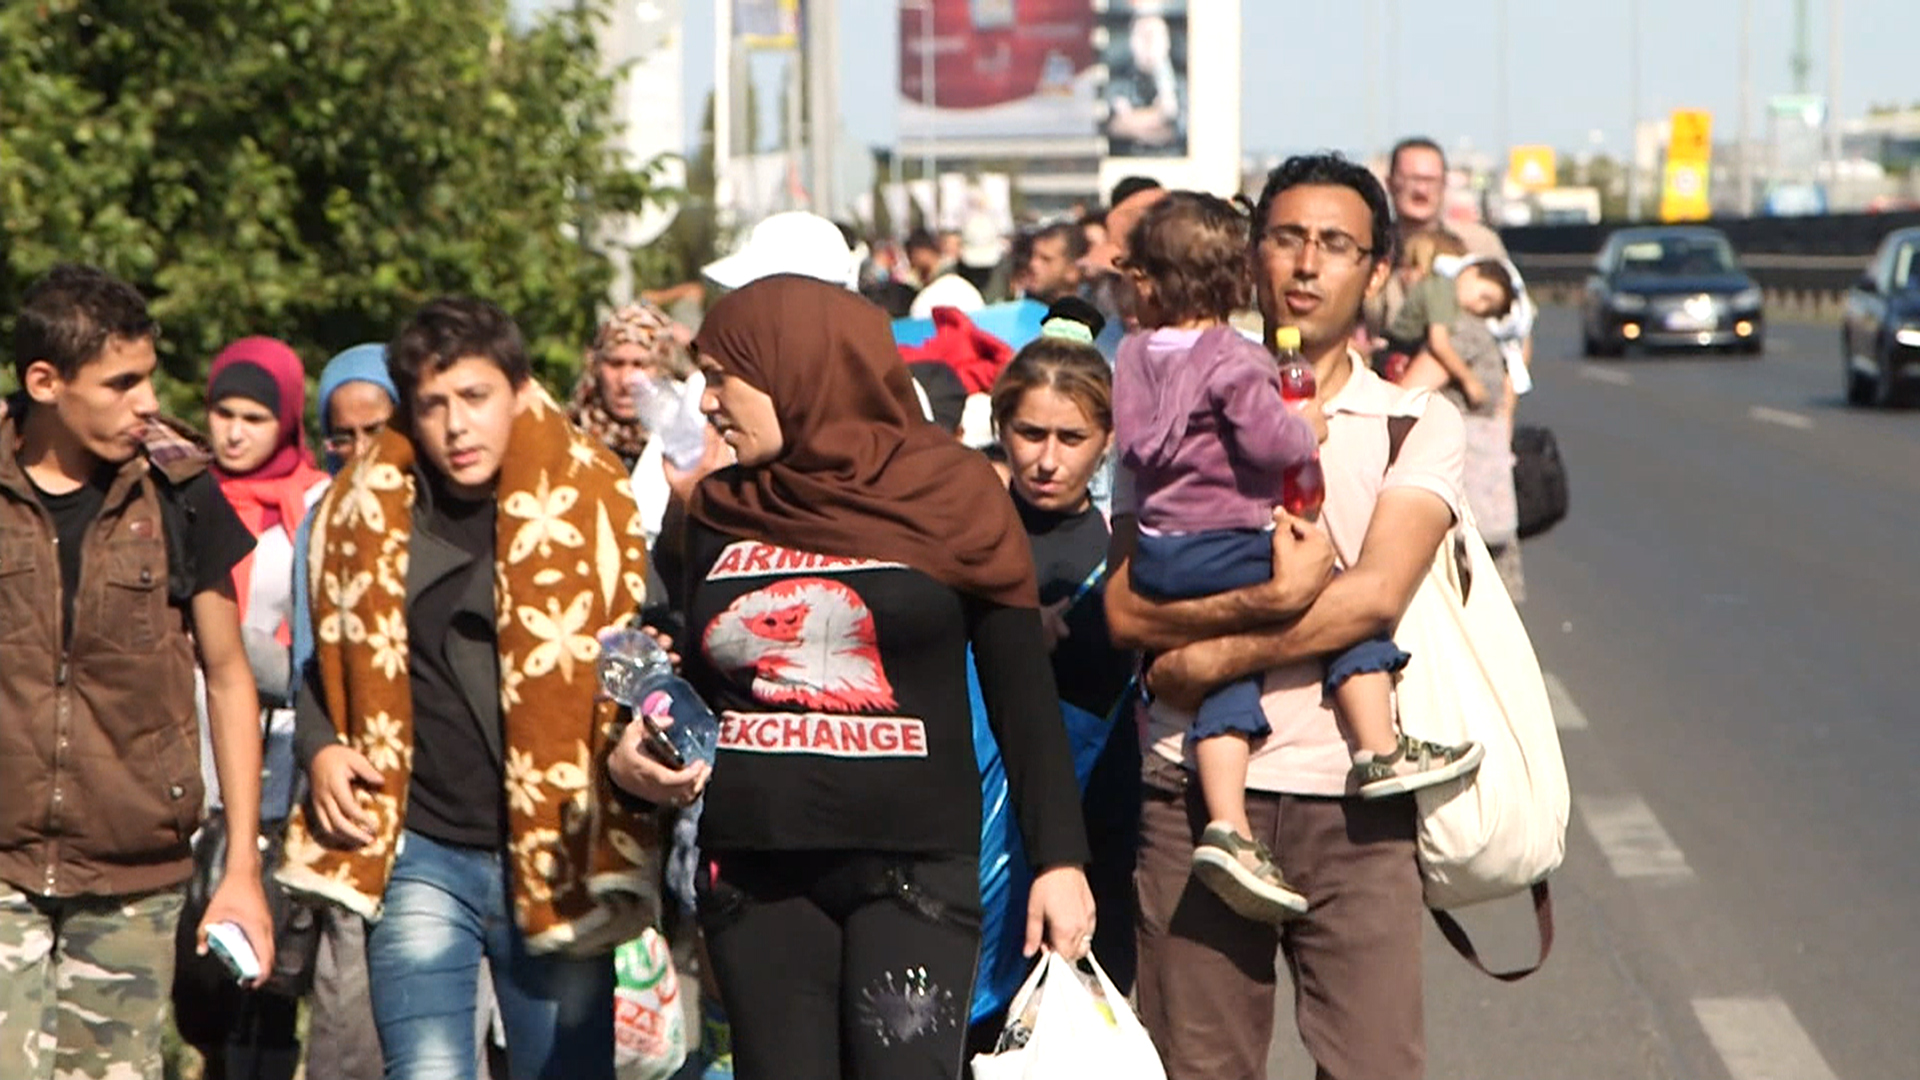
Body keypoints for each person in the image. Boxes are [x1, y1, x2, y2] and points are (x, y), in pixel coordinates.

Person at [610, 275, 1095, 1080]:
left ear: (796, 369)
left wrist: (1060, 863)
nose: (708, 406)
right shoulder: (717, 512)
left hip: (915, 874)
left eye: (725, 378)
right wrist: (635, 765)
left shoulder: (956, 497)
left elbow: (1022, 700)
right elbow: (694, 685)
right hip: (755, 879)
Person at [1107, 155, 1468, 1080]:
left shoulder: (1409, 421)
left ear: (1376, 272)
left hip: (1353, 806)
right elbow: (1122, 603)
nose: (1307, 265)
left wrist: (1203, 655)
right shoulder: (1172, 393)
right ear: (1248, 255)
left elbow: (1373, 595)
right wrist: (1267, 603)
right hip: (1192, 803)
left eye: (1336, 245)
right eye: (1287, 238)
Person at [279, 298, 660, 1080]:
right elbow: (328, 672)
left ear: (520, 392)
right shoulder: (358, 511)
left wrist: (652, 733)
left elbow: (642, 647)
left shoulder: (593, 497)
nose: (456, 426)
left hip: (557, 845)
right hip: (421, 844)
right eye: (433, 404)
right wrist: (319, 750)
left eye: (475, 398)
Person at [0, 264, 274, 1080]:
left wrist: (242, 877)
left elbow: (229, 678)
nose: (148, 402)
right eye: (121, 384)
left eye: (148, 377)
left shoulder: (181, 492)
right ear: (45, 382)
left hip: (133, 876)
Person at [178, 337, 331, 1080]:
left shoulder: (317, 504)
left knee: (270, 963)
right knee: (194, 970)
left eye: (254, 416)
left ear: (288, 421)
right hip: (187, 743)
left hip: (278, 752)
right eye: (221, 412)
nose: (233, 431)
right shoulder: (181, 497)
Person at [987, 298, 1139, 989]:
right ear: (1000, 428)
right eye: (1029, 433)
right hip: (980, 827)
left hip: (1100, 827)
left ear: (1107, 438)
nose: (1047, 460)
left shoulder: (1129, 546)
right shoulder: (966, 535)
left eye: (1071, 438)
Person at [569, 301, 688, 473]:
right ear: (596, 366)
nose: (626, 380)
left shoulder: (687, 444)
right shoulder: (568, 437)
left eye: (640, 365)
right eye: (615, 364)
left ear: (664, 369)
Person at [1023, 222, 1088, 304]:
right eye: (1032, 256)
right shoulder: (1019, 311)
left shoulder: (1096, 312)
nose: (1032, 264)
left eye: (1046, 259)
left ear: (1073, 270)